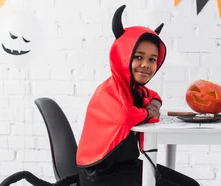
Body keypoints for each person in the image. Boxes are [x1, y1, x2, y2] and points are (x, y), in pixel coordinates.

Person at [76, 5, 200, 186]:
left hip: (126, 165)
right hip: (99, 174)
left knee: (192, 185)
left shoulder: (135, 90)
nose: (145, 64)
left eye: (152, 59)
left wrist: (153, 106)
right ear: (123, 56)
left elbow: (154, 95)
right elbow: (126, 116)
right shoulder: (109, 91)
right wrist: (149, 113)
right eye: (138, 57)